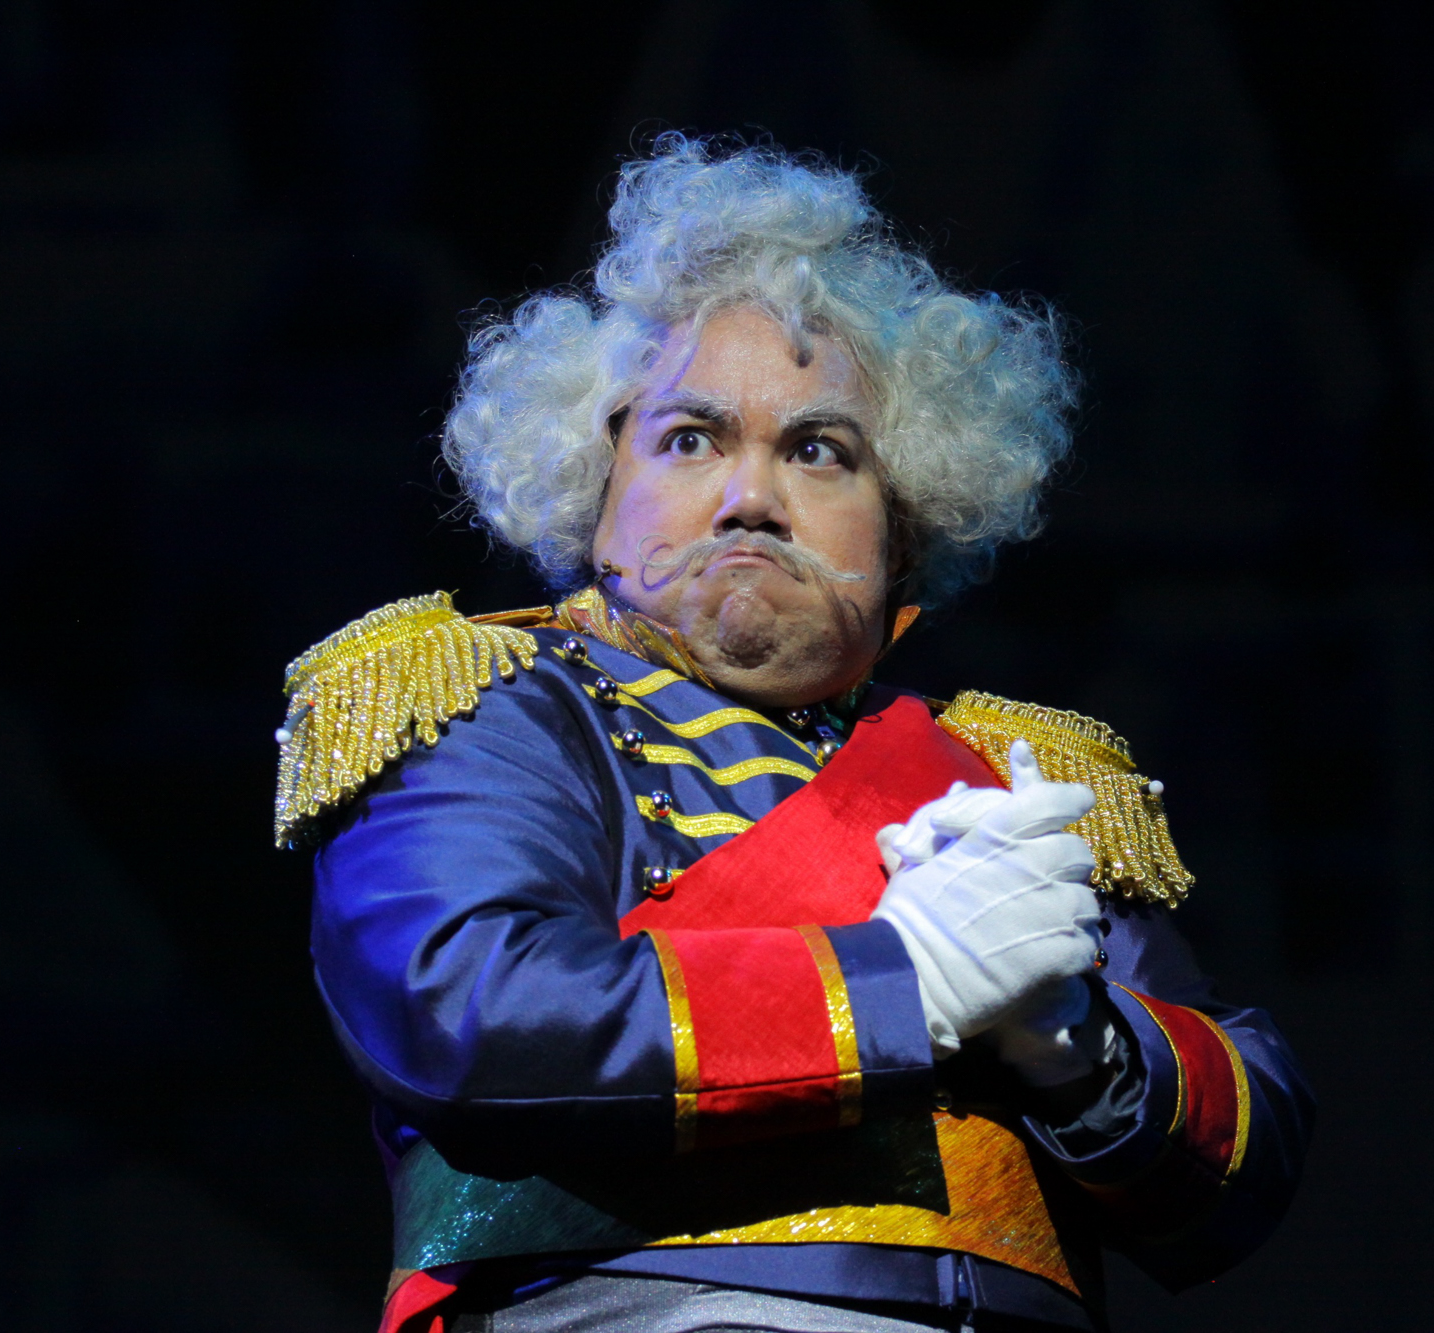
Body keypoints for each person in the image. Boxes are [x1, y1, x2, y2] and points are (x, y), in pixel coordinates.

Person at [274, 135, 1313, 1333]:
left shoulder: (1002, 770)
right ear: (597, 489)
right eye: (689, 438)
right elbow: (464, 1008)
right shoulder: (481, 698)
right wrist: (907, 982)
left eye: (818, 451)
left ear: (902, 528)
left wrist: (1076, 1037)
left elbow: (1244, 1159)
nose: (750, 497)